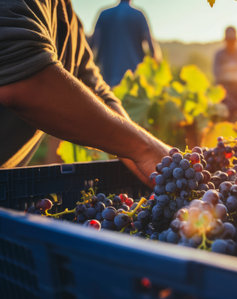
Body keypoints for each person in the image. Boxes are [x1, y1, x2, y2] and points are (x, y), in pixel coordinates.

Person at [0, 0, 170, 186]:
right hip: (133, 83)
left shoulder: (71, 14)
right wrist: (143, 148)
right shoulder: (138, 15)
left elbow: (91, 80)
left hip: (110, 78)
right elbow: (27, 83)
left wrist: (147, 153)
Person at [89, 0, 162, 87]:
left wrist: (94, 64)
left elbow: (91, 45)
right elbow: (152, 48)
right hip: (133, 80)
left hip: (107, 79)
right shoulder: (138, 15)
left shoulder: (104, 14)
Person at [213, 26, 237, 121]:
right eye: (229, 41)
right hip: (224, 89)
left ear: (236, 40)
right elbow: (216, 73)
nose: (231, 43)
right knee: (226, 111)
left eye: (233, 40)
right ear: (225, 41)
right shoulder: (219, 55)